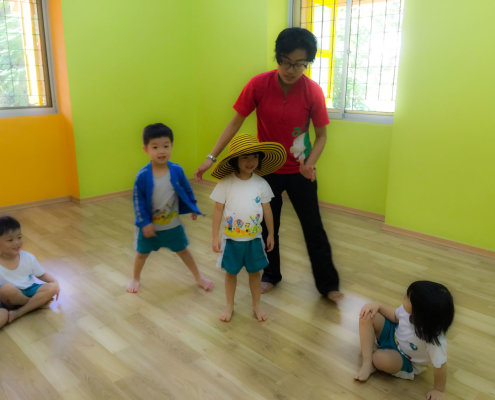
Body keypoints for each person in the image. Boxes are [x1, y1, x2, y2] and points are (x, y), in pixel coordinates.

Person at [195, 27, 342, 302]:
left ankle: (328, 285)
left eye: (300, 64)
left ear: (308, 63)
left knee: (314, 227)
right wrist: (211, 158)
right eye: (286, 62)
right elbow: (235, 123)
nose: (292, 69)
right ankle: (271, 275)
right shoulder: (258, 85)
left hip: (300, 171)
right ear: (278, 57)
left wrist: (310, 164)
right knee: (265, 226)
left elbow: (321, 136)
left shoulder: (312, 91)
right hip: (267, 170)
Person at [127, 123, 214, 293]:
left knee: (183, 251)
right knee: (141, 254)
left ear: (171, 146)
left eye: (166, 146)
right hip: (149, 228)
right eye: (155, 147)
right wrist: (145, 223)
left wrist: (192, 207)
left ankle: (199, 277)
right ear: (146, 149)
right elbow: (138, 201)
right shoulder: (142, 175)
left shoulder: (176, 170)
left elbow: (187, 190)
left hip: (172, 226)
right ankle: (135, 278)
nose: (161, 151)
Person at [210, 134, 286, 322]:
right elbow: (218, 210)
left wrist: (271, 234)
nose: (251, 161)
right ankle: (229, 305)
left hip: (254, 239)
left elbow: (267, 210)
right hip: (231, 240)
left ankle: (256, 305)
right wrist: (214, 236)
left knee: (255, 274)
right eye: (245, 157)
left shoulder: (261, 183)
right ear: (235, 160)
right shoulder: (226, 183)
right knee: (231, 274)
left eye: (255, 156)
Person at [354, 281, 455, 400]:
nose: (404, 296)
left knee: (379, 359)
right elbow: (395, 317)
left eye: (408, 297)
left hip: (405, 359)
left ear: (420, 312)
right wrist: (378, 306)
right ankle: (367, 363)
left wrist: (439, 390)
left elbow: (440, 365)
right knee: (367, 315)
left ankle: (373, 357)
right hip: (394, 335)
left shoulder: (433, 341)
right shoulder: (407, 311)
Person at [0, 216, 60, 323]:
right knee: (7, 289)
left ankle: (19, 312)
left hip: (29, 290)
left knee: (52, 287)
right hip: (6, 298)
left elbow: (42, 275)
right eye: (10, 240)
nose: (17, 242)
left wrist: (55, 283)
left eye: (19, 237)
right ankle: (35, 304)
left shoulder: (28, 257)